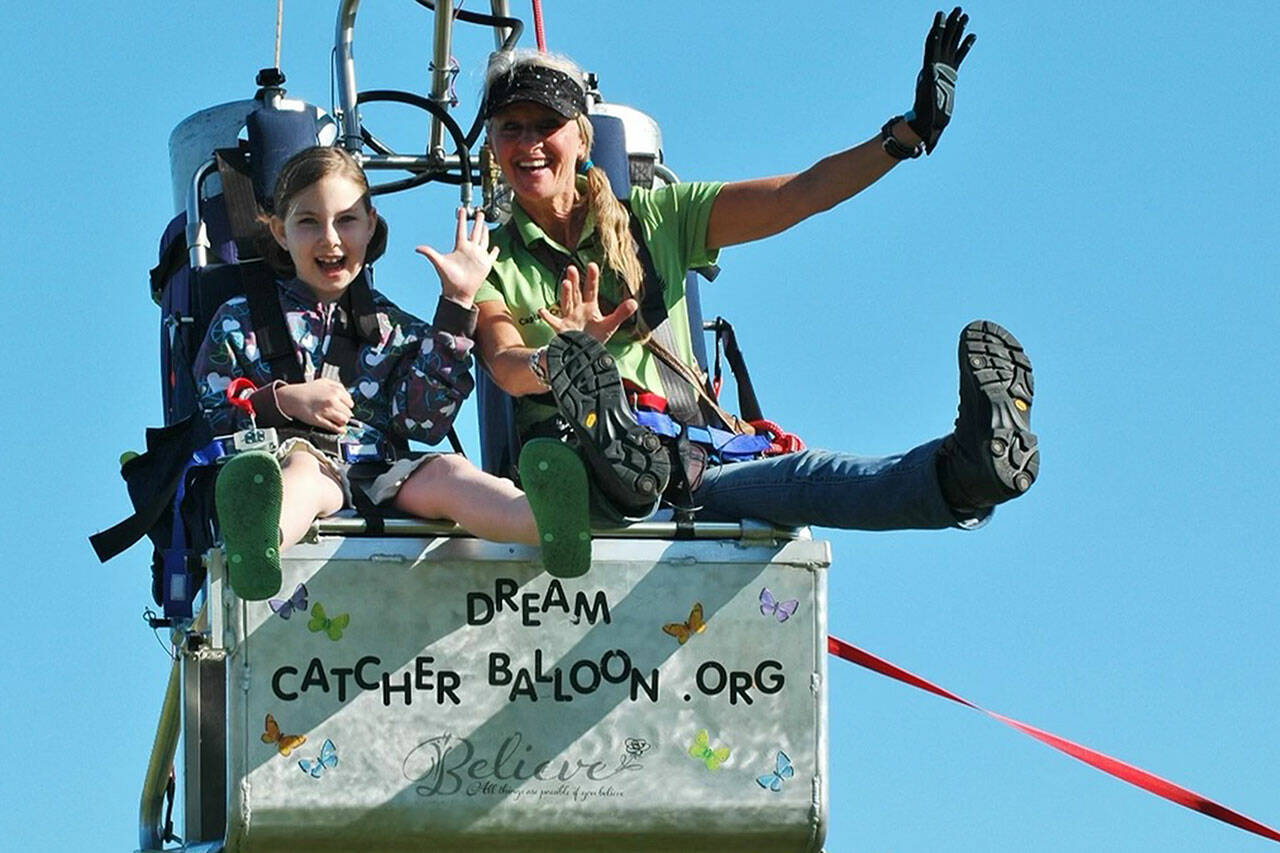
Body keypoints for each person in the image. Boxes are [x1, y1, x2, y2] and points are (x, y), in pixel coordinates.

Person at [472, 8, 1040, 531]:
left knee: (806, 478)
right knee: (591, 453)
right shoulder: (492, 258)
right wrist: (563, 357)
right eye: (510, 128)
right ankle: (611, 452)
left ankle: (967, 475)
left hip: (689, 462)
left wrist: (904, 135)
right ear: (493, 146)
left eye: (544, 124)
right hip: (578, 474)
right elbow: (503, 363)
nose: (528, 144)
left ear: (580, 135)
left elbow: (798, 194)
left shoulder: (659, 217)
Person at [193, 146, 591, 600]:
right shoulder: (239, 322)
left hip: (380, 469)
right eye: (308, 222)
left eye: (346, 220)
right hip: (300, 465)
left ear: (370, 226)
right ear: (281, 233)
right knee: (304, 471)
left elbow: (424, 422)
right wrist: (283, 400)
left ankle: (544, 522)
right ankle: (261, 541)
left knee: (448, 472)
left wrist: (458, 304)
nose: (330, 239)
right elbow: (216, 418)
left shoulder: (393, 329)